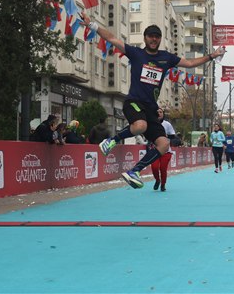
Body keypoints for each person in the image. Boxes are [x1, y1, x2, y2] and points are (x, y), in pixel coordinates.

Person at [81, 11, 226, 189]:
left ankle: (134, 171)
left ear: (160, 39)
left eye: (157, 37)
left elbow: (189, 64)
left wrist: (212, 55)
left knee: (164, 144)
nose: (154, 39)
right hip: (134, 102)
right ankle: (112, 140)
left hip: (151, 108)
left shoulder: (166, 58)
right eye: (151, 36)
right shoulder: (136, 53)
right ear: (145, 38)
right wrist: (92, 25)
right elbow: (111, 38)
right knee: (140, 126)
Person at [150, 108, 175, 191]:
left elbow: (173, 136)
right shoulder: (151, 123)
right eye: (157, 112)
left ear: (163, 114)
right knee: (154, 167)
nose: (159, 113)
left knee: (163, 168)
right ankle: (157, 180)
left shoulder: (167, 124)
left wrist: (166, 136)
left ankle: (163, 184)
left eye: (161, 112)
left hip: (166, 150)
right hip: (155, 150)